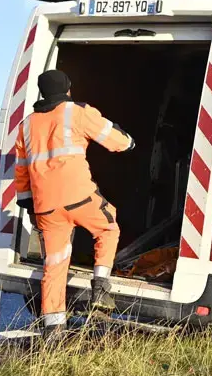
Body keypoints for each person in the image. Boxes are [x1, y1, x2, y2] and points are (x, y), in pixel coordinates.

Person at [12, 69, 133, 339]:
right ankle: (100, 289)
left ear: (43, 93)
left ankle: (53, 330)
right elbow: (113, 138)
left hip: (46, 206)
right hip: (79, 197)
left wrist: (29, 206)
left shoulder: (26, 124)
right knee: (108, 227)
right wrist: (130, 143)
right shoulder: (76, 111)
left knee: (54, 264)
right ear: (67, 90)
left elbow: (21, 170)